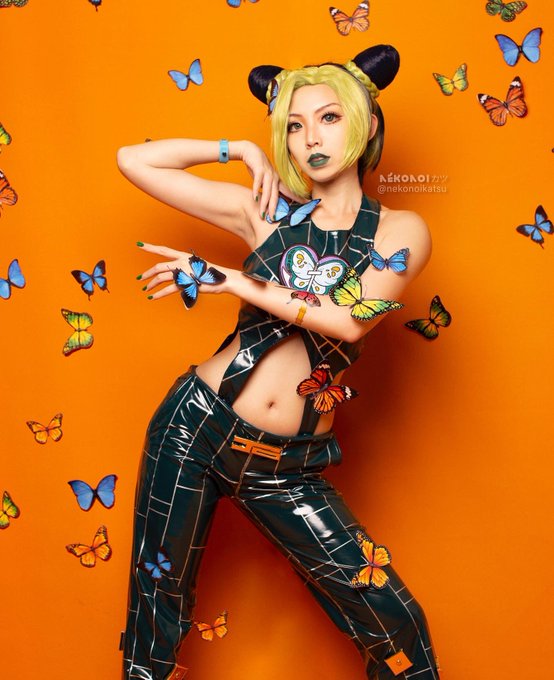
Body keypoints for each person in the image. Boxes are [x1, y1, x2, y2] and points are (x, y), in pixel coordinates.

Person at [117, 44, 440, 680]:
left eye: (329, 118)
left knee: (393, 622)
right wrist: (238, 149)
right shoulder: (265, 210)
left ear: (366, 123)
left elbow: (348, 318)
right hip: (193, 427)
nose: (310, 138)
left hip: (286, 466)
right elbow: (134, 160)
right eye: (293, 126)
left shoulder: (401, 231)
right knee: (156, 623)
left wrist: (233, 281)